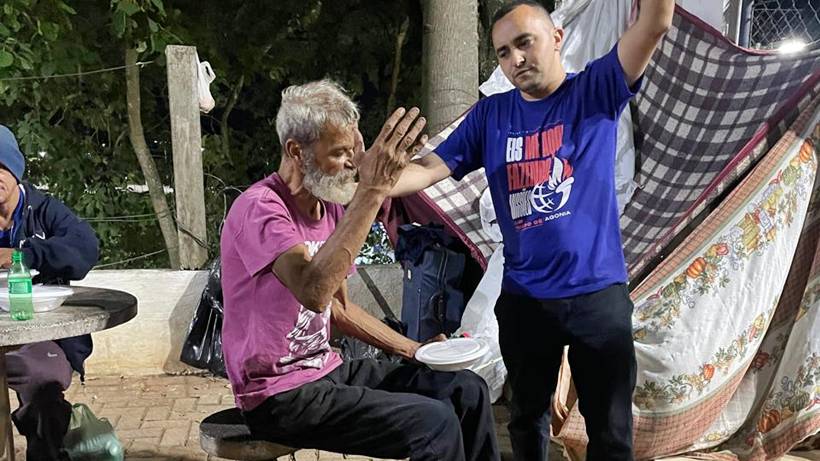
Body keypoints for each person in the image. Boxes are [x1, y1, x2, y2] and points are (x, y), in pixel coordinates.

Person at [389, 1, 675, 460]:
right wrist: (371, 179)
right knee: (525, 423)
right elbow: (425, 171)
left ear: (556, 37)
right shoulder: (491, 116)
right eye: (503, 52)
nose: (515, 59)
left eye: (525, 43)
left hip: (597, 294)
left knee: (611, 432)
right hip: (525, 299)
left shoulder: (595, 89)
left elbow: (656, 20)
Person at [220, 80, 499, 461]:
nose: (352, 164)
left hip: (326, 371)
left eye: (355, 151)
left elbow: (339, 309)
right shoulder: (261, 210)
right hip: (277, 395)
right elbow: (314, 293)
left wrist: (414, 351)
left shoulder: (330, 205)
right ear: (296, 151)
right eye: (339, 153)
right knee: (433, 423)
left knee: (466, 390)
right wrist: (371, 191)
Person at [0, 125, 100, 460]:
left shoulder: (44, 211)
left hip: (38, 335)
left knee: (45, 396)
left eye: (1, 167)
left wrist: (23, 255)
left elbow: (85, 249)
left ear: (16, 170)